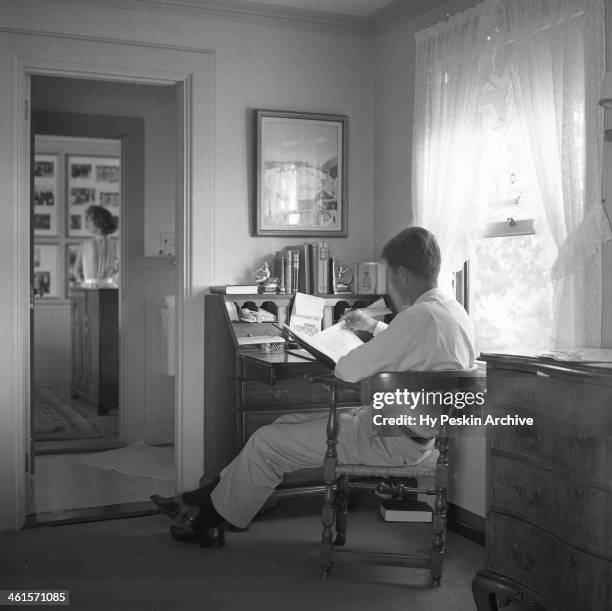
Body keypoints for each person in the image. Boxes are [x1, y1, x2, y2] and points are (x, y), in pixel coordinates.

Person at [152, 227, 476, 548]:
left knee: (268, 441)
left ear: (403, 273)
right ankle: (198, 501)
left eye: (390, 277)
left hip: (391, 440)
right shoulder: (452, 312)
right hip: (413, 434)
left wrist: (337, 348)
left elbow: (348, 370)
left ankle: (208, 520)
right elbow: (412, 346)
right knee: (284, 425)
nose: (390, 286)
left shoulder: (417, 317)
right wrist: (372, 326)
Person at [73, 205, 119, 287]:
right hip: (89, 290)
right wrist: (85, 283)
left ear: (98, 221)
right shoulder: (84, 245)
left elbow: (120, 268)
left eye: (89, 220)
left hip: (109, 289)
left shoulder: (114, 245)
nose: (86, 224)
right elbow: (76, 271)